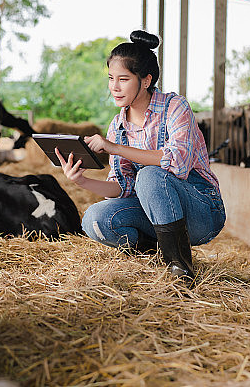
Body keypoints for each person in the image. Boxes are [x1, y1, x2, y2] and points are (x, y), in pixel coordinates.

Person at [55, 30, 226, 281]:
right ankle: (160, 257)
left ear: (145, 81)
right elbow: (121, 187)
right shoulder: (118, 125)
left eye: (123, 79)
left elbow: (177, 162)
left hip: (201, 211)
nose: (114, 87)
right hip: (154, 213)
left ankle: (181, 270)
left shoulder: (174, 107)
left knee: (149, 176)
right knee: (95, 218)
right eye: (111, 78)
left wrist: (114, 148)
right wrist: (80, 181)